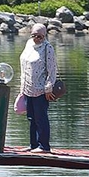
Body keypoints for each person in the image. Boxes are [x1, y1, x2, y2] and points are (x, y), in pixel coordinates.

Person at [19, 23, 58, 153]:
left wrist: (48, 88)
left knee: (41, 118)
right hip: (28, 88)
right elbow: (24, 66)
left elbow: (52, 70)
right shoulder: (29, 44)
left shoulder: (47, 48)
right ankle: (33, 144)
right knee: (31, 118)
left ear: (44, 36)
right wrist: (22, 87)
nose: (36, 38)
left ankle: (44, 146)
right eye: (34, 35)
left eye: (40, 36)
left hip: (41, 90)